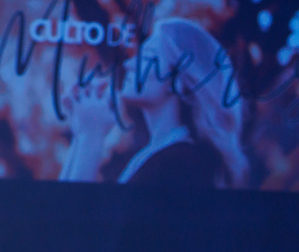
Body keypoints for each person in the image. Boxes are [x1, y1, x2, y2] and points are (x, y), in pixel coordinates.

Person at [60, 18, 248, 188]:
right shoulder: (159, 155)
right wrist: (82, 133)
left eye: (147, 58)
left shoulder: (181, 164)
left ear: (178, 82)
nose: (128, 64)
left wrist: (91, 136)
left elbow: (75, 214)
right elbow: (62, 207)